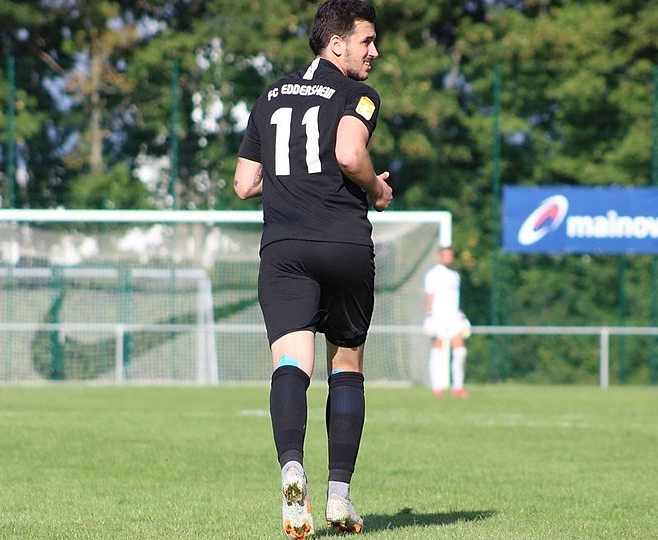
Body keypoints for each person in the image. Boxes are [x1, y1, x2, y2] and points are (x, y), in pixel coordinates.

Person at [232, 0, 392, 537]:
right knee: (345, 365)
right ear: (336, 44)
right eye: (366, 41)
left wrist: (289, 176)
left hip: (284, 247)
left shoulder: (270, 94)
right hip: (343, 242)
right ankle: (339, 499)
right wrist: (377, 186)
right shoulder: (357, 94)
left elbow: (244, 183)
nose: (374, 51)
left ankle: (292, 473)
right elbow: (350, 154)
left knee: (291, 365)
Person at [423, 246, 471, 398]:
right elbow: (430, 296)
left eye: (451, 255)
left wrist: (461, 315)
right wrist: (429, 315)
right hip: (438, 317)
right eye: (446, 255)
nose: (449, 257)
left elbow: (455, 299)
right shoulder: (433, 275)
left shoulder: (455, 275)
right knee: (437, 351)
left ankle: (458, 386)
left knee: (460, 352)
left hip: (453, 318)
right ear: (440, 256)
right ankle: (437, 387)